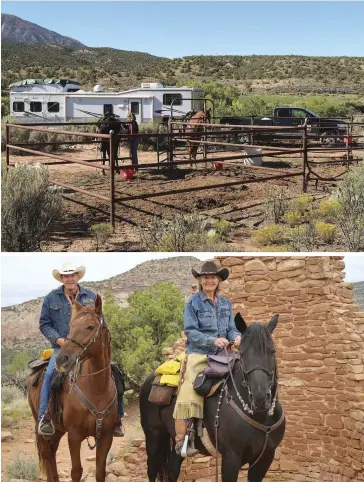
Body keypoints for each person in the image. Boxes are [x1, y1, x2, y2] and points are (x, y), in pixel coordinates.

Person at [37, 262, 124, 438]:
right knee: (50, 375)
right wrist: (59, 340)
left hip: (87, 347)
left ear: (77, 277)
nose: (69, 278)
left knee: (116, 373)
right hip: (63, 346)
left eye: (72, 275)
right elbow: (44, 324)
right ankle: (45, 418)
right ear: (61, 278)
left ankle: (117, 418)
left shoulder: (91, 296)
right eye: (66, 276)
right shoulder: (51, 298)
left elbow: (101, 323)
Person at [173, 261, 241, 457]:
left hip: (225, 352)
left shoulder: (226, 303)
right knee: (191, 387)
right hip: (199, 353)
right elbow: (191, 332)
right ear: (200, 281)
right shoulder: (192, 302)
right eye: (206, 277)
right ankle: (183, 439)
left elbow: (230, 328)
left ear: (218, 281)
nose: (209, 280)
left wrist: (236, 336)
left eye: (213, 277)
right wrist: (212, 340)